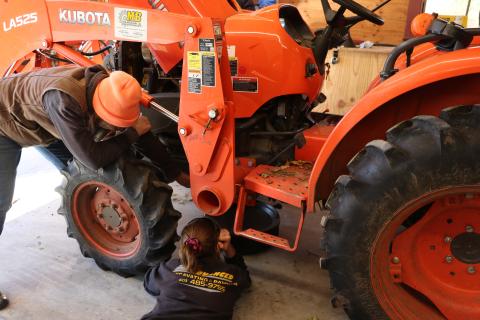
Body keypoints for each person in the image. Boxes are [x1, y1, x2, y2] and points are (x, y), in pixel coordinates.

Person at [0, 64, 188, 309]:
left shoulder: (112, 87)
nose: (114, 127)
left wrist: (176, 172)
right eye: (111, 123)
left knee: (84, 171)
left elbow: (140, 133)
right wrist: (130, 134)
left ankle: (85, 211)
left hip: (40, 123)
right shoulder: (64, 101)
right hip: (4, 125)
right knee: (2, 201)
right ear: (99, 108)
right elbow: (94, 158)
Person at [142, 217, 251, 320]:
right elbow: (245, 280)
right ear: (218, 246)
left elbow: (148, 283)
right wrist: (230, 250)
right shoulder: (232, 275)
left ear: (184, 245)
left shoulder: (169, 268)